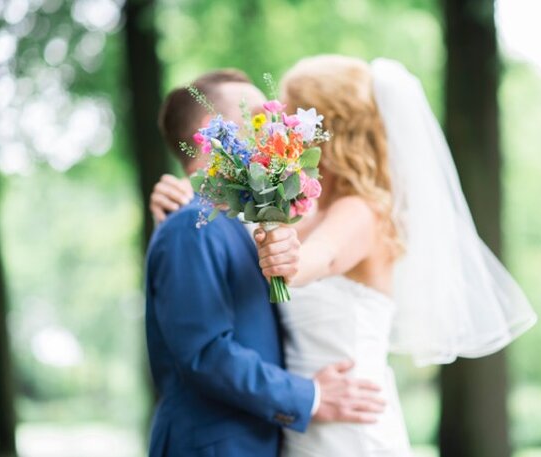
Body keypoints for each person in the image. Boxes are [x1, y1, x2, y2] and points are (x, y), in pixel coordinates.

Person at [151, 57, 537, 456]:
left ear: (325, 127)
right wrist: (189, 194)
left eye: (286, 112)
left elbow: (314, 260)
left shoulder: (362, 211)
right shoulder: (301, 210)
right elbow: (232, 239)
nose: (273, 124)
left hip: (349, 423)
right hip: (304, 419)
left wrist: (288, 260)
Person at [145, 68, 386, 457]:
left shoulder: (236, 222)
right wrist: (309, 397)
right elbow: (205, 352)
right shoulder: (189, 225)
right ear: (214, 131)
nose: (275, 127)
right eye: (258, 116)